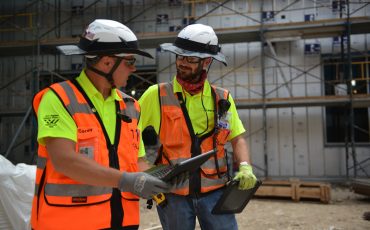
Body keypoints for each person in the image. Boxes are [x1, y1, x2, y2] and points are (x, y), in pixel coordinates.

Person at [31, 19, 174, 230]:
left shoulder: (131, 107)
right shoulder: (59, 99)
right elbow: (64, 161)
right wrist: (126, 180)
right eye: (130, 61)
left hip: (123, 222)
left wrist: (166, 176)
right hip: (68, 224)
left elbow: (138, 162)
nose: (134, 69)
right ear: (107, 62)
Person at [138, 23, 257, 230]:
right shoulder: (155, 95)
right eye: (179, 56)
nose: (182, 63)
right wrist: (143, 167)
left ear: (207, 61)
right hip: (173, 195)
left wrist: (245, 166)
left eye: (190, 58)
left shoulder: (223, 99)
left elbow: (237, 138)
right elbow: (129, 133)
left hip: (215, 192)